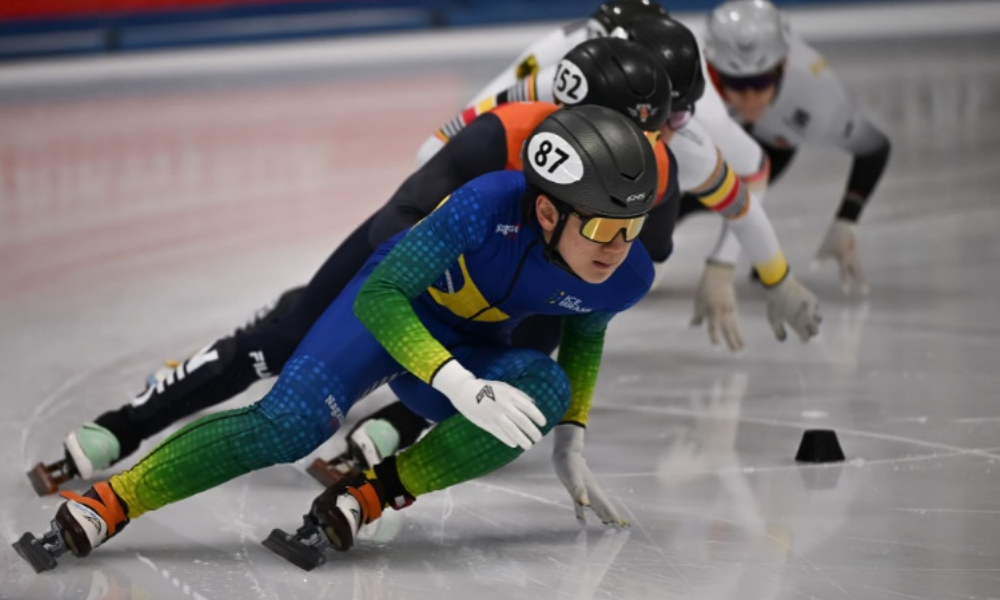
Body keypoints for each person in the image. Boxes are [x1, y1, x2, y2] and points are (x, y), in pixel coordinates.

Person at [14, 104, 661, 573]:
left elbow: (586, 330)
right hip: (387, 314)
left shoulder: (627, 271)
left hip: (465, 343)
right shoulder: (484, 204)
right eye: (603, 228)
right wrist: (458, 383)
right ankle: (115, 497)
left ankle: (373, 491)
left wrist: (570, 438)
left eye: (631, 227)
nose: (618, 248)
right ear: (547, 211)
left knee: (545, 388)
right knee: (288, 426)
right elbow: (381, 296)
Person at [26, 36, 682, 496]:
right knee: (282, 344)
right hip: (420, 254)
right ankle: (127, 423)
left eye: (653, 142)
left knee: (526, 343)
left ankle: (393, 423)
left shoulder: (653, 170)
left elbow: (615, 275)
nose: (635, 160)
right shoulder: (499, 134)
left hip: (507, 281)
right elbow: (402, 218)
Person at [417, 2, 816, 354]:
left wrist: (740, 270)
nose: (658, 136)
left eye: (675, 117)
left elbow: (752, 177)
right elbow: (435, 151)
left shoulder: (686, 140)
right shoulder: (554, 82)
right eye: (647, 121)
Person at [702, 0, 891, 296]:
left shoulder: (820, 102)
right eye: (736, 84)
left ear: (782, 68)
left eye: (761, 81)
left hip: (773, 141)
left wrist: (847, 219)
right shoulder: (695, 80)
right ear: (714, 71)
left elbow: (875, 148)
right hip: (740, 132)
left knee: (715, 193)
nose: (750, 98)